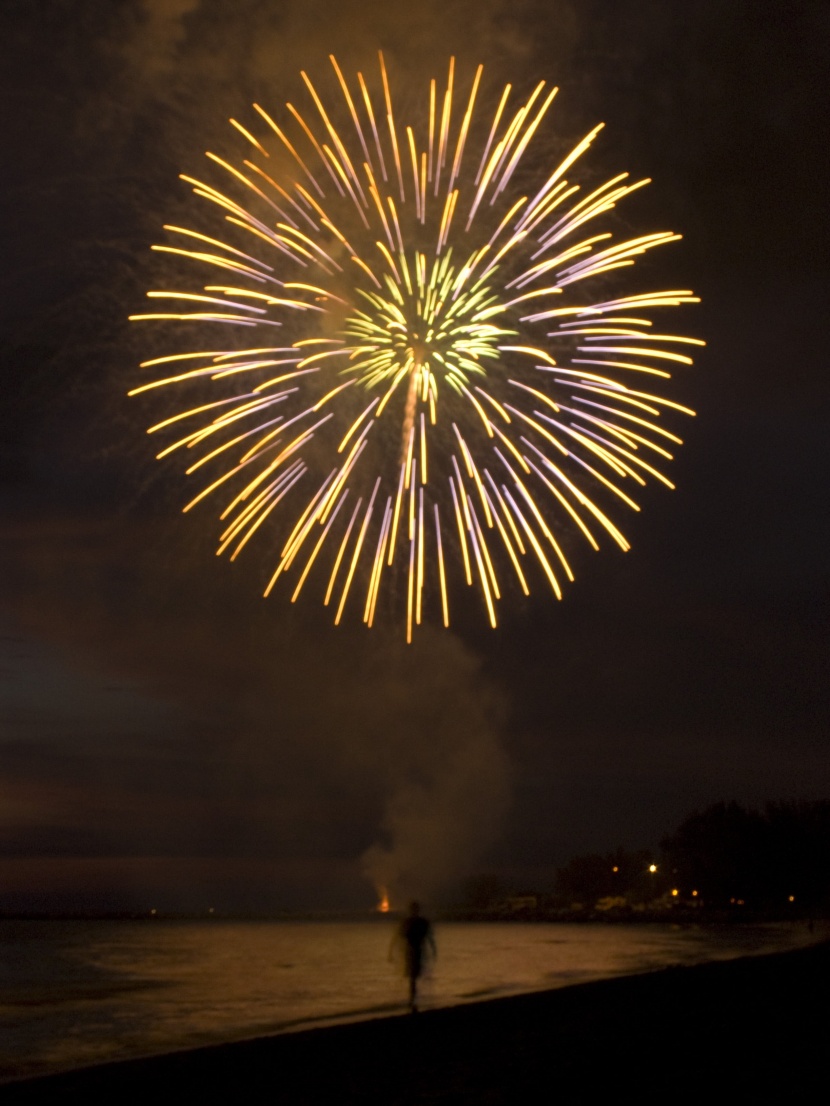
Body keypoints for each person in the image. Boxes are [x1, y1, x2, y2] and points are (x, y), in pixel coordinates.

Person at [393, 901, 436, 1012]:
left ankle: (413, 999)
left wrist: (433, 950)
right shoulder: (415, 922)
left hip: (414, 950)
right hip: (413, 951)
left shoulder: (413, 922)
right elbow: (398, 936)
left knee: (414, 977)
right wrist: (433, 950)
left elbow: (398, 936)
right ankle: (414, 998)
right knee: (414, 977)